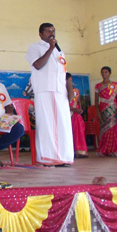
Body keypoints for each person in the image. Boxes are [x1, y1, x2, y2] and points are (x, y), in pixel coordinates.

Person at [25, 23, 74, 167]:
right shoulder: (35, 47)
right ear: (40, 34)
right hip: (45, 89)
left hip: (60, 91)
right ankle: (47, 158)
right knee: (47, 124)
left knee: (63, 125)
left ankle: (64, 157)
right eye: (47, 31)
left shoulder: (60, 51)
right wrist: (50, 48)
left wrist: (68, 91)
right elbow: (38, 65)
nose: (51, 33)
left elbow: (64, 74)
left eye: (53, 31)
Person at [94, 66, 117, 157]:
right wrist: (97, 112)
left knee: (114, 129)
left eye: (106, 72)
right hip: (103, 110)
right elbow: (96, 100)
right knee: (104, 130)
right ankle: (104, 150)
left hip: (113, 109)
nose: (104, 74)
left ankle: (114, 149)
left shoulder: (115, 85)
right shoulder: (98, 86)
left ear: (109, 73)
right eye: (102, 72)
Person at [66, 73, 88, 158]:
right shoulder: (62, 91)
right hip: (68, 115)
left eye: (70, 80)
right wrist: (73, 109)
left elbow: (78, 101)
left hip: (76, 115)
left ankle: (80, 151)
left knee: (79, 132)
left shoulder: (76, 91)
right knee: (70, 133)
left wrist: (79, 109)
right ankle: (71, 152)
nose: (70, 82)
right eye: (68, 80)